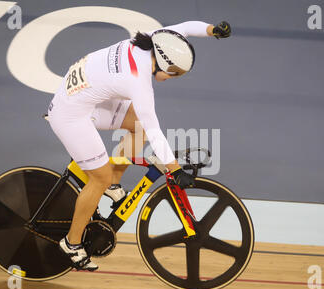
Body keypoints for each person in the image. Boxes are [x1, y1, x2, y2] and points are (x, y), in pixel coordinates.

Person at [47, 20, 231, 271]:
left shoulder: (158, 40)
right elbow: (155, 131)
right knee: (98, 178)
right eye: (172, 74)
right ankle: (72, 243)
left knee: (138, 128)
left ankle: (112, 183)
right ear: (163, 64)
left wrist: (212, 30)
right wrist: (175, 169)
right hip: (70, 114)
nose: (169, 79)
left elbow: (186, 28)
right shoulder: (138, 81)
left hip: (83, 95)